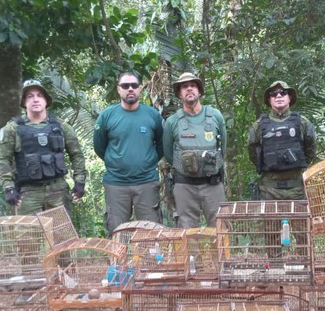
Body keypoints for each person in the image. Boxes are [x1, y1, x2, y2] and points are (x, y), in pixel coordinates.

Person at [0, 79, 87, 215]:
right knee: (29, 229)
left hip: (58, 191)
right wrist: (8, 188)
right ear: (24, 101)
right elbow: (2, 160)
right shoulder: (12, 129)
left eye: (39, 95)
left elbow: (76, 154)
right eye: (30, 96)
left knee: (61, 229)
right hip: (28, 193)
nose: (35, 100)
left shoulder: (62, 127)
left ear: (46, 100)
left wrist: (79, 182)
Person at [93, 71, 164, 235]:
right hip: (116, 183)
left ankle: (149, 254)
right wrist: (116, 162)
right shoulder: (106, 116)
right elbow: (99, 147)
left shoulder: (153, 115)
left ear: (139, 88)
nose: (130, 89)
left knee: (151, 234)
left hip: (147, 182)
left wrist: (147, 161)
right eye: (125, 86)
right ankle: (119, 254)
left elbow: (162, 145)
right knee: (117, 233)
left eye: (134, 85)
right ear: (119, 89)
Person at [163, 72, 227, 228]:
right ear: (179, 93)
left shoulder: (215, 116)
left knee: (221, 227)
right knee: (186, 232)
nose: (189, 89)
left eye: (193, 86)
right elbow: (168, 153)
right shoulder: (172, 122)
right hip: (184, 185)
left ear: (199, 91)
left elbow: (222, 147)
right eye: (184, 87)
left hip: (212, 184)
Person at [248, 81, 317, 200]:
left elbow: (310, 150)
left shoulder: (303, 122)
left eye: (283, 92)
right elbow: (253, 153)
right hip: (269, 190)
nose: (278, 96)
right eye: (273, 94)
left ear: (289, 97)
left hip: (297, 190)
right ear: (269, 99)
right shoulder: (259, 126)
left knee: (299, 214)